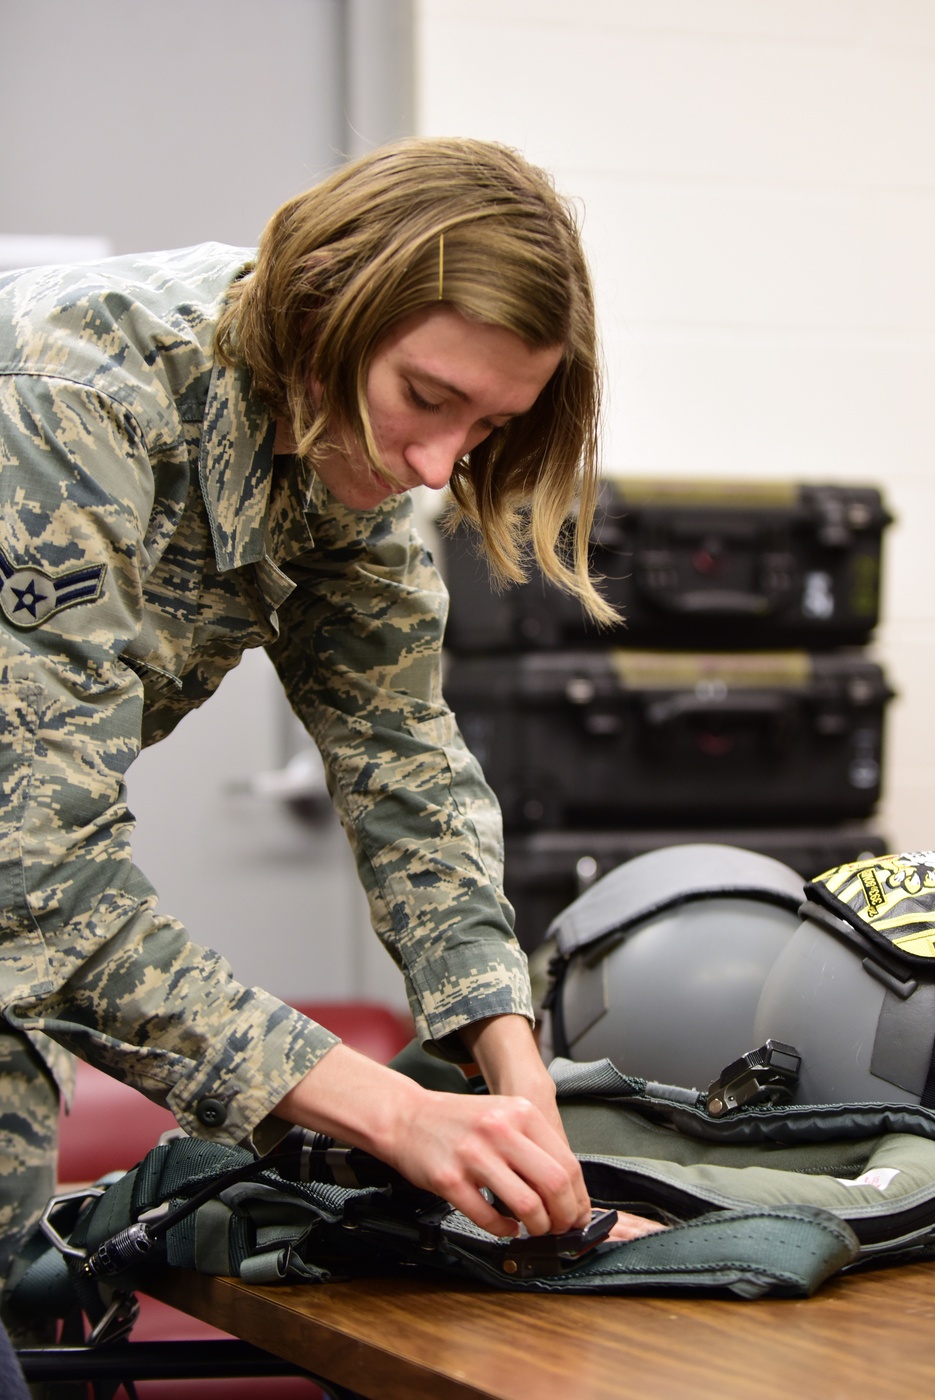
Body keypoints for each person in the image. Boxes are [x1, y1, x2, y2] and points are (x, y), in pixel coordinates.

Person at [0, 136, 645, 1321]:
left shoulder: (345, 453)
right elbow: (28, 877)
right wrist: (393, 1109)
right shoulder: (66, 399)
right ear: (324, 306)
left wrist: (510, 1054)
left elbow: (405, 765)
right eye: (428, 397)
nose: (437, 463)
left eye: (488, 427)